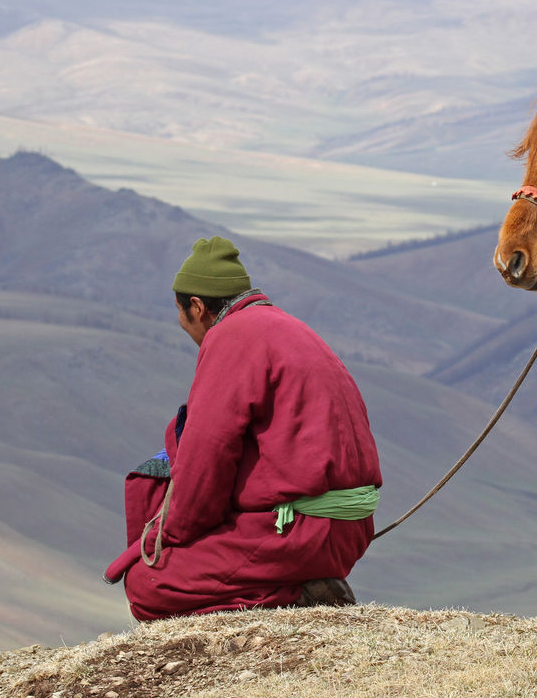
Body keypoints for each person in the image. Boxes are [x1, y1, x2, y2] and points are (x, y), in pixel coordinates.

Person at [105, 236, 382, 619]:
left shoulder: (231, 337)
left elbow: (207, 458)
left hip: (299, 531)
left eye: (180, 313)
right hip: (347, 529)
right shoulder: (287, 327)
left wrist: (171, 537)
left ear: (198, 308)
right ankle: (300, 581)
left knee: (147, 584)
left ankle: (295, 593)